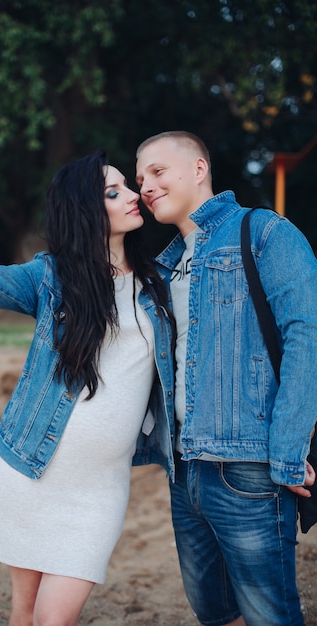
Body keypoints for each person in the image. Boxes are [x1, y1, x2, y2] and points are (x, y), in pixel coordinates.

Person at [0, 149, 176, 626]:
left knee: (54, 618)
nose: (133, 195)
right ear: (86, 212)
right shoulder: (52, 278)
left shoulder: (159, 284)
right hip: (30, 469)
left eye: (126, 187)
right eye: (113, 192)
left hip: (101, 488)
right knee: (25, 613)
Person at [135, 130, 317, 626]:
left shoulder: (264, 233)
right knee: (213, 610)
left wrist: (288, 451)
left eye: (156, 171)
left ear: (198, 169)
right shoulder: (163, 267)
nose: (145, 186)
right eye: (139, 180)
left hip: (249, 469)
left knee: (269, 615)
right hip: (184, 468)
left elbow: (307, 338)